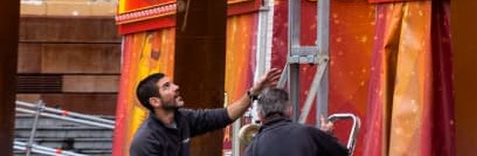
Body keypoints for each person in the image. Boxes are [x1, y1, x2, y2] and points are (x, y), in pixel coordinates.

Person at [128, 67, 279, 156]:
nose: (176, 87)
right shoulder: (145, 141)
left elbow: (225, 115)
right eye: (166, 86)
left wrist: (254, 92)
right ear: (155, 101)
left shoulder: (183, 118)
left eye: (172, 83)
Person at [243, 87, 349, 156]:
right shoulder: (309, 134)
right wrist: (326, 135)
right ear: (289, 110)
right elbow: (342, 153)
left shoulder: (253, 148)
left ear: (260, 115)